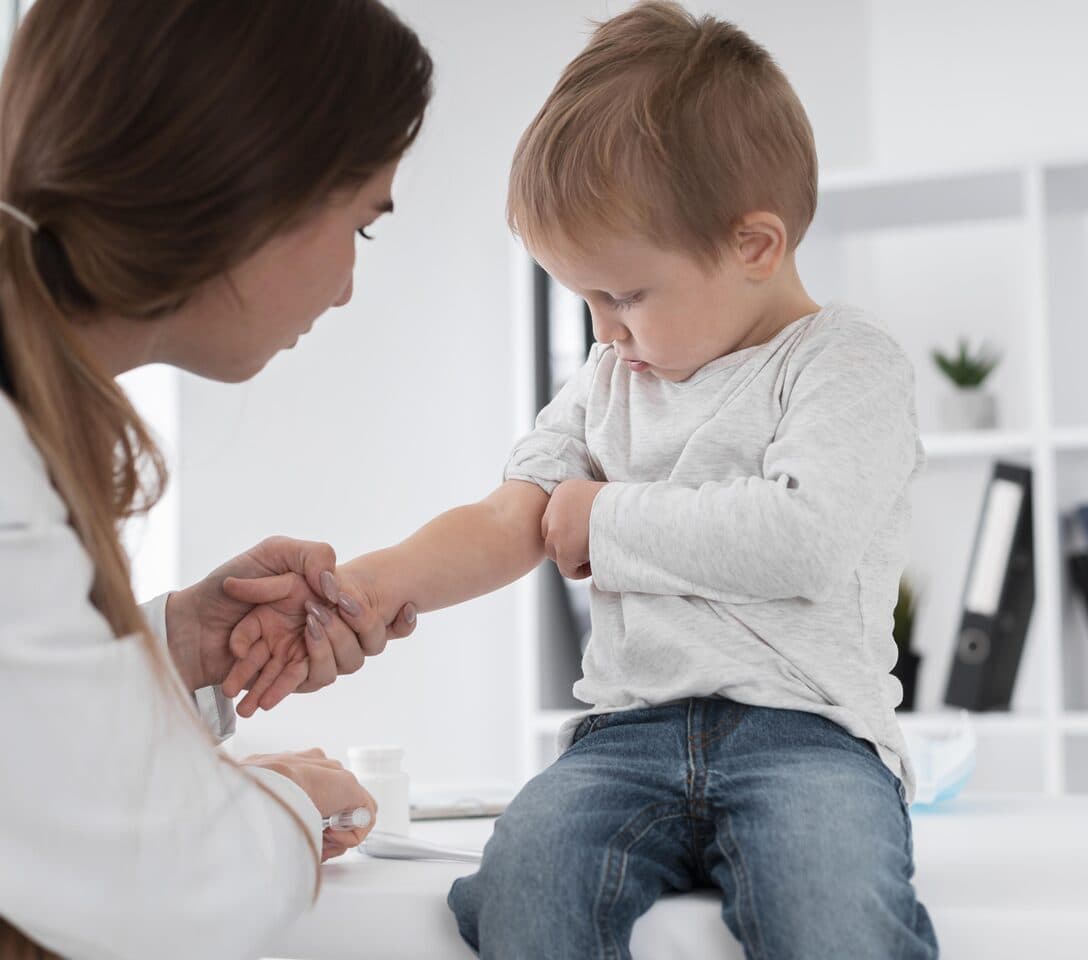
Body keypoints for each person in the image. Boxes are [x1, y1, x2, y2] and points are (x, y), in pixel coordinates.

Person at [226, 4, 939, 957]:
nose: (605, 329)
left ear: (754, 246)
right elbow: (508, 518)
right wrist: (360, 586)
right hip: (626, 739)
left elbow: (801, 539)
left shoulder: (843, 364)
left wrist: (604, 520)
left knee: (836, 915)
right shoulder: (612, 380)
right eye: (587, 299)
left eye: (626, 294)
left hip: (808, 740)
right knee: (521, 885)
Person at [0, 1, 429, 958]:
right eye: (362, 226)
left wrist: (171, 643)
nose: (347, 286)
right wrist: (288, 804)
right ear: (248, 194)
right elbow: (172, 887)